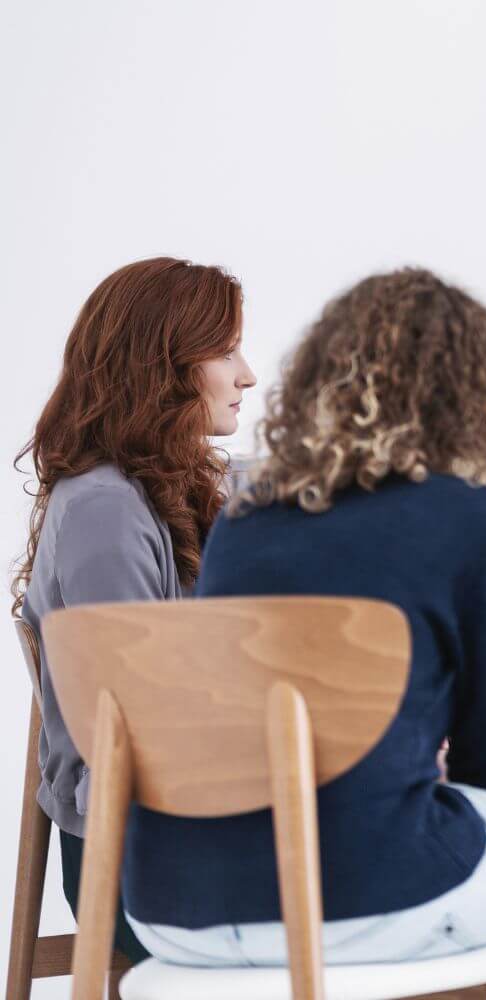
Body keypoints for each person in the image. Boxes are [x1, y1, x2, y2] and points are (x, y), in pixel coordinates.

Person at [120, 269, 486, 999]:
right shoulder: (472, 520)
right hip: (353, 903)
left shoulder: (243, 518)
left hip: (175, 907)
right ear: (477, 397)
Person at [13, 257, 256, 965]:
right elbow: (146, 727)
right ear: (165, 365)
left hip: (174, 837)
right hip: (141, 865)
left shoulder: (158, 492)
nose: (249, 374)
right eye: (227, 350)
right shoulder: (106, 510)